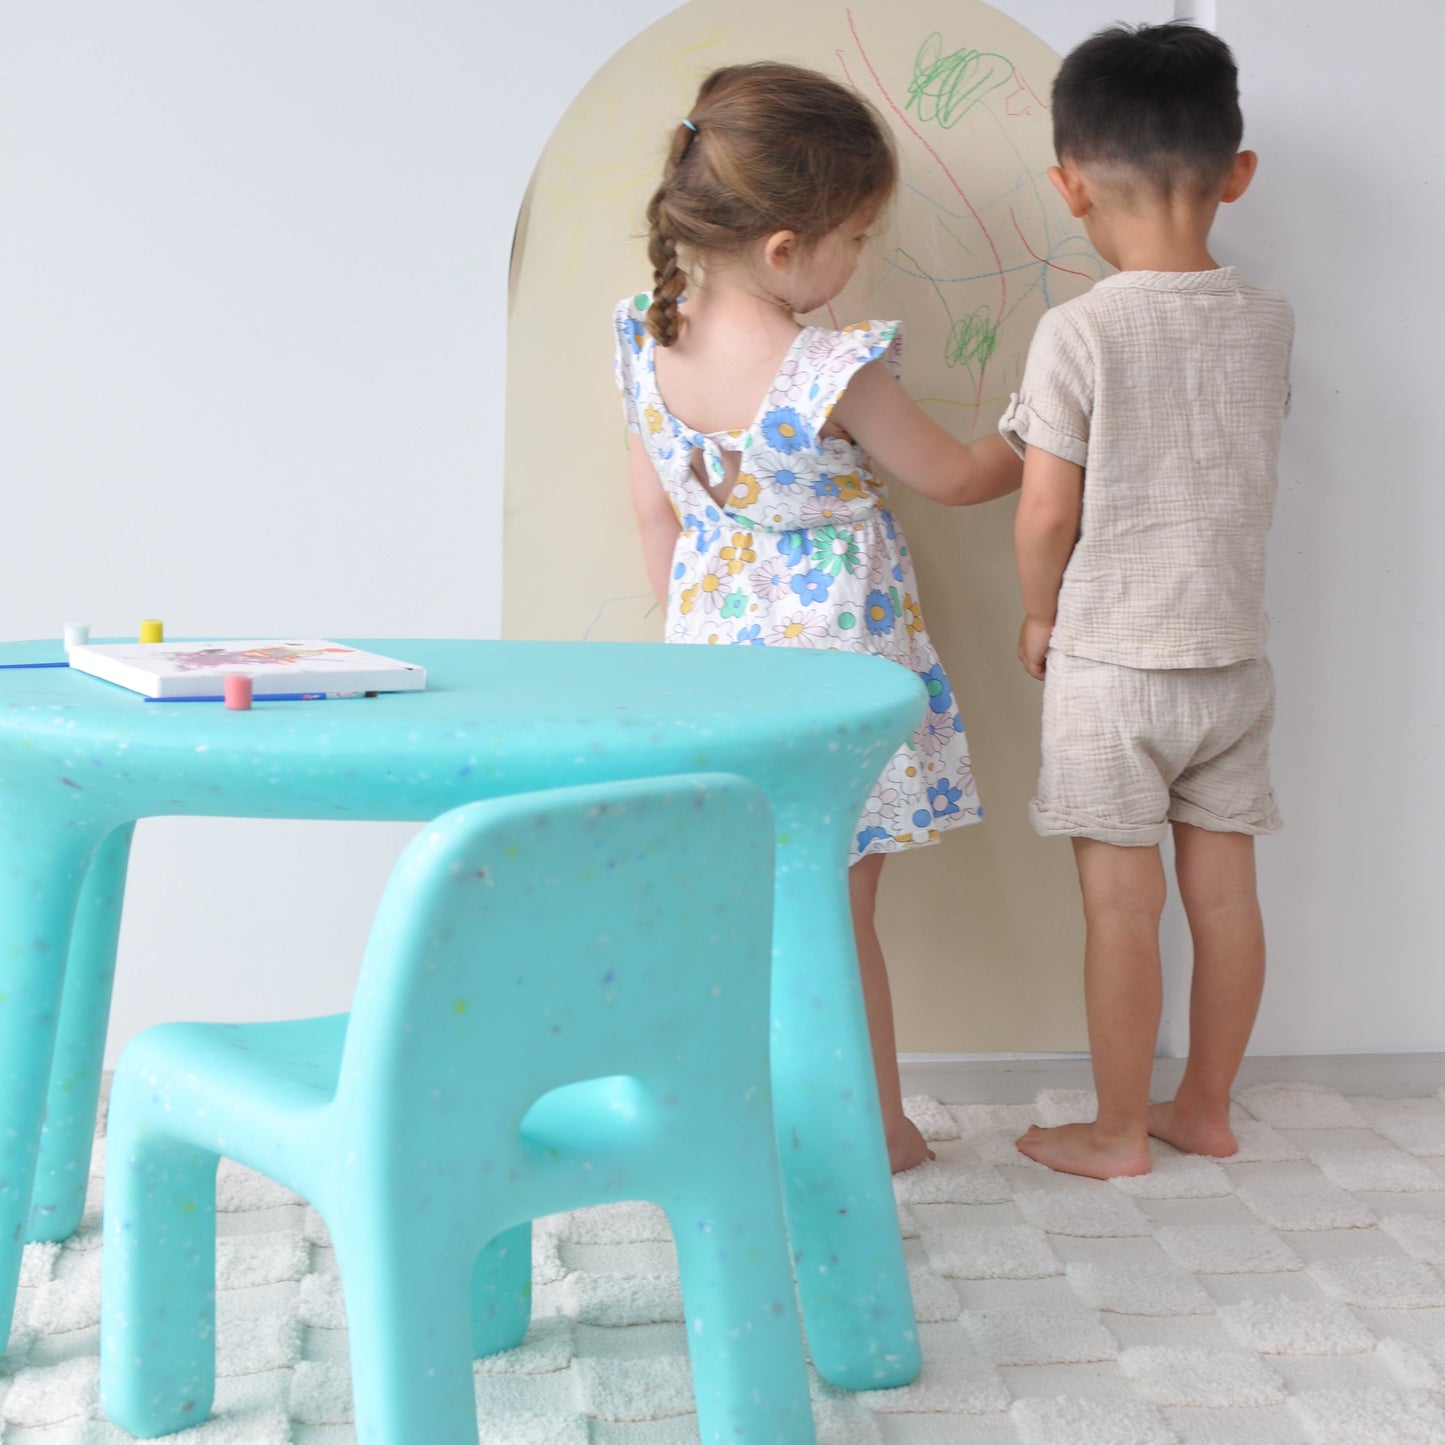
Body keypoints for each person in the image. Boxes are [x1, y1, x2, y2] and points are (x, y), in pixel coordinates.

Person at [614, 61, 1022, 1172]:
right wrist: (1043, 432)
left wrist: (688, 644)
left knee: (735, 911)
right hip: (829, 684)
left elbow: (653, 505)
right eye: (857, 237)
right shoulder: (827, 367)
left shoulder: (648, 336)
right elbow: (950, 474)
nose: (861, 263)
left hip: (712, 672)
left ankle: (730, 1110)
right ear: (788, 247)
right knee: (835, 922)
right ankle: (873, 1126)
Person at [1003, 22, 1293, 1179]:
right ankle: (1204, 1107)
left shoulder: (1077, 330)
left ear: (1067, 187)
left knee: (1120, 910)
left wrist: (1039, 615)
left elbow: (1041, 513)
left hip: (1111, 663)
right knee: (1222, 901)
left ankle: (1118, 1130)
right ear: (1234, 174)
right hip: (1230, 662)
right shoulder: (1267, 318)